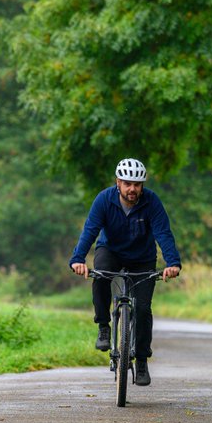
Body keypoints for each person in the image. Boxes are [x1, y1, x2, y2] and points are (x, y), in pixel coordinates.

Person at [70, 158, 181, 386]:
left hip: (143, 258)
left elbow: (163, 233)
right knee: (100, 276)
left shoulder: (151, 202)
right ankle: (103, 326)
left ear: (142, 185)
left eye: (137, 184)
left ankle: (141, 361)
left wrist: (173, 262)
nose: (133, 189)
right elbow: (90, 230)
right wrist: (77, 259)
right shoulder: (104, 200)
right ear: (118, 182)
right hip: (111, 251)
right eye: (128, 183)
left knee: (142, 309)